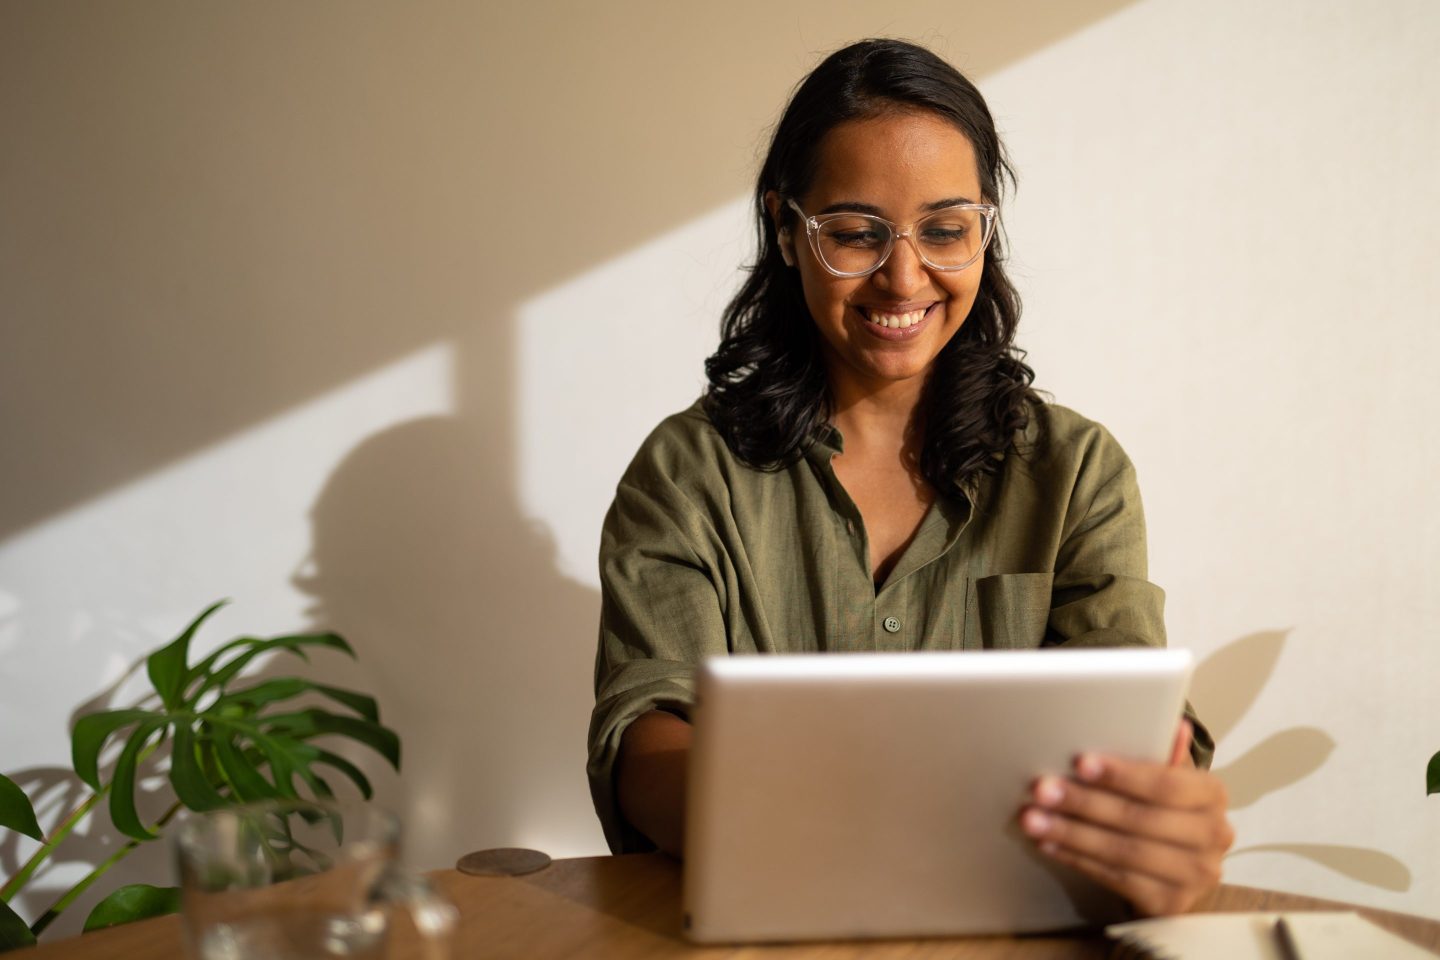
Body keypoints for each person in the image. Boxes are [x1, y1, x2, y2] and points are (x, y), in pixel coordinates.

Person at [587, 38, 1233, 917]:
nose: (903, 275)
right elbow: (646, 733)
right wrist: (827, 821)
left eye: (944, 229)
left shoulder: (1076, 471)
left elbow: (1131, 712)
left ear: (983, 232)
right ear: (786, 228)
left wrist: (1159, 804)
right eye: (854, 233)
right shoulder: (689, 473)